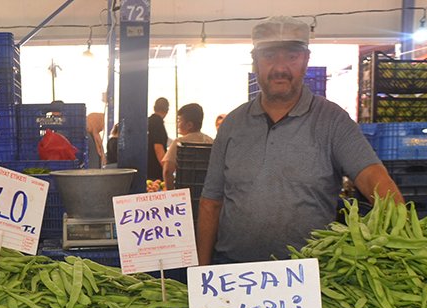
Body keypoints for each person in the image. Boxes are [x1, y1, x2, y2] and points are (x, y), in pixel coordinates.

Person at [196, 16, 404, 265]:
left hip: (309, 280)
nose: (280, 68)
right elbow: (211, 203)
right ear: (255, 62)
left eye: (292, 56)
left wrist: (404, 233)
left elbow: (372, 177)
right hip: (234, 277)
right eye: (270, 56)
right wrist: (199, 271)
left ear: (306, 61)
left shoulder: (333, 120)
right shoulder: (232, 124)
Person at [162, 103, 214, 191]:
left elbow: (167, 171)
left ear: (189, 125)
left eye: (179, 121)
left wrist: (171, 194)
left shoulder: (180, 143)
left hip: (184, 192)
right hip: (205, 192)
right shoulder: (211, 142)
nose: (178, 124)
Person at [147, 97, 169, 181]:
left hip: (146, 168)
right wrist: (166, 169)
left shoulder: (147, 121)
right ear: (167, 110)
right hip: (155, 172)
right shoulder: (158, 123)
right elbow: (158, 148)